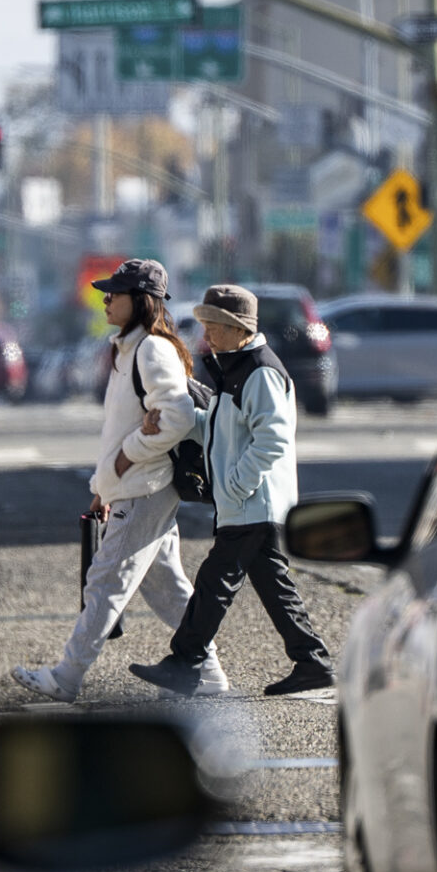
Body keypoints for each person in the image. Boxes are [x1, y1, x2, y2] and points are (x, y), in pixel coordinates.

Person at [10, 259, 226, 703]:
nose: (105, 299)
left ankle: (66, 677)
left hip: (145, 486)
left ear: (141, 301)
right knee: (167, 590)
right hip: (134, 485)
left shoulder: (151, 349)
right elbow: (123, 428)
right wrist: (104, 485)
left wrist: (129, 456)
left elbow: (178, 417)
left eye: (115, 293)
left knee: (105, 583)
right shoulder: (131, 348)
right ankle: (208, 674)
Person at [127, 284, 334, 698]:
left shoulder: (259, 370)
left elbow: (272, 438)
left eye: (213, 326)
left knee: (213, 583)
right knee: (274, 587)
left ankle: (185, 663)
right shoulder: (237, 366)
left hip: (253, 504)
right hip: (249, 504)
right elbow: (222, 429)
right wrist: (175, 420)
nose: (206, 335)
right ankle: (313, 663)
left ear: (237, 328)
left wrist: (237, 485)